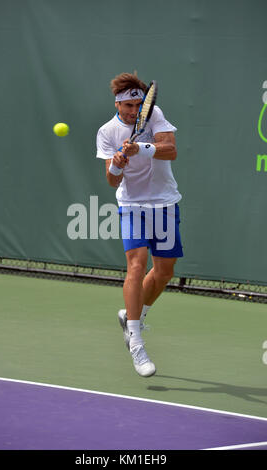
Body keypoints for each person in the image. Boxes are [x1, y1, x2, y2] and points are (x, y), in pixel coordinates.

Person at [96, 72, 183, 377]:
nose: (134, 111)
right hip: (132, 205)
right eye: (128, 106)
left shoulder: (154, 115)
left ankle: (134, 315)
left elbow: (171, 149)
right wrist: (119, 161)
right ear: (117, 104)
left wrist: (141, 149)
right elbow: (111, 180)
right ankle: (136, 341)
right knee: (137, 264)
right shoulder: (107, 132)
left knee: (164, 272)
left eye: (138, 105)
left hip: (165, 203)